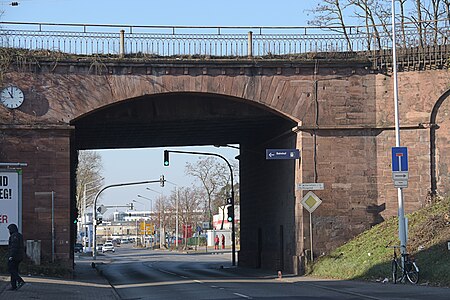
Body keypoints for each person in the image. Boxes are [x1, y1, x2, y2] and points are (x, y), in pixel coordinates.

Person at [7, 223, 25, 291]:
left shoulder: (14, 236)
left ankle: (19, 281)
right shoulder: (19, 235)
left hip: (15, 256)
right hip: (19, 256)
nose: (9, 231)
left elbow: (14, 247)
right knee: (14, 270)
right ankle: (14, 286)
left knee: (11, 269)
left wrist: (11, 256)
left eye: (9, 229)